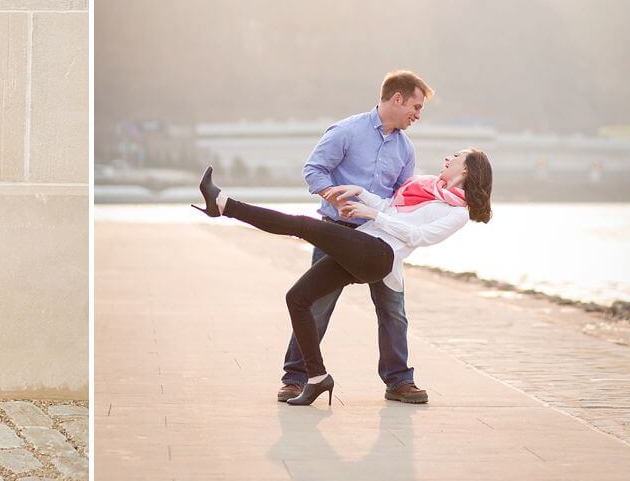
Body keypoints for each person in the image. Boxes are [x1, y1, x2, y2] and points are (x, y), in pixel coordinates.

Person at [195, 148, 494, 405]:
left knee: (303, 225)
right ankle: (317, 377)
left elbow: (419, 235)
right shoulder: (425, 187)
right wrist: (361, 193)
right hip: (365, 244)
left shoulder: (458, 211)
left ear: (466, 168)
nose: (447, 157)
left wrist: (375, 215)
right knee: (297, 298)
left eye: (455, 156)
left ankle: (222, 205)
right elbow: (391, 207)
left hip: (379, 254)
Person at [279, 71, 432, 404]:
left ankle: (399, 381)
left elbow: (401, 201)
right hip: (337, 233)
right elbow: (314, 169)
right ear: (397, 99)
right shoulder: (347, 131)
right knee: (316, 306)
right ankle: (295, 377)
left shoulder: (405, 149)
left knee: (393, 310)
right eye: (416, 107)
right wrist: (333, 197)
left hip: (380, 239)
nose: (418, 116)